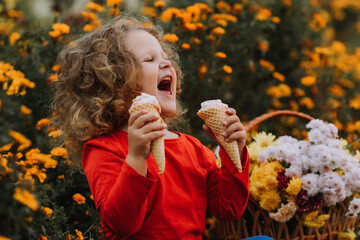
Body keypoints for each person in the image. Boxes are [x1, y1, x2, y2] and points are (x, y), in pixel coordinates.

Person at [51, 15, 250, 240]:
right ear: (113, 83)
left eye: (165, 58)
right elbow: (123, 224)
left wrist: (235, 151)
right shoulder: (104, 149)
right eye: (149, 60)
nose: (167, 64)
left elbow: (228, 209)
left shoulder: (194, 149)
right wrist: (136, 157)